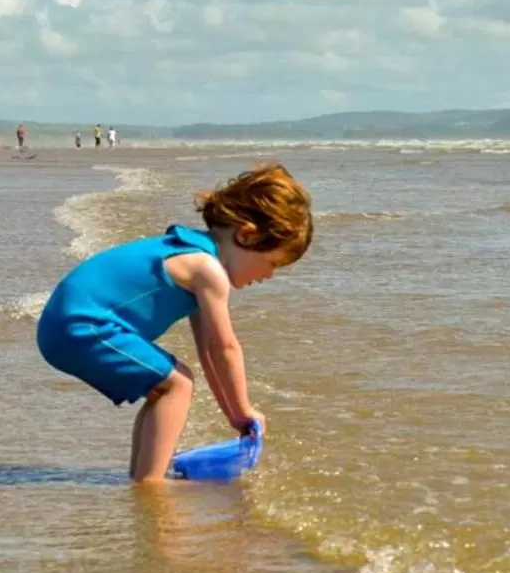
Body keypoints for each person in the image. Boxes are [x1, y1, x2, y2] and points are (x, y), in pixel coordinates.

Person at [35, 163, 313, 482]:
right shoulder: (207, 271)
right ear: (247, 235)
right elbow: (224, 347)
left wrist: (233, 416)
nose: (268, 276)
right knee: (177, 384)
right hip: (81, 325)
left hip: (65, 323)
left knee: (165, 386)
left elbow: (208, 354)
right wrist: (243, 410)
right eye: (272, 263)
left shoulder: (195, 256)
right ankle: (150, 484)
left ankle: (143, 477)